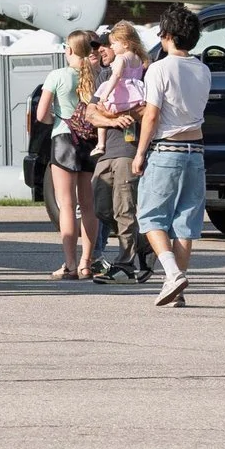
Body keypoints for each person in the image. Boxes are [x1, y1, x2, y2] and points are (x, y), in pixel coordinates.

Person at [136, 5, 214, 307]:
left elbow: (152, 115)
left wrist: (140, 153)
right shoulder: (203, 69)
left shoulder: (159, 68)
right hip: (196, 151)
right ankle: (177, 292)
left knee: (151, 216)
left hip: (167, 148)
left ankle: (172, 274)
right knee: (185, 222)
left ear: (167, 35)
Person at [85, 23, 150, 282]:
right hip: (106, 151)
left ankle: (125, 264)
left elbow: (150, 109)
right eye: (99, 46)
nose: (102, 50)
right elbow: (90, 113)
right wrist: (112, 120)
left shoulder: (142, 71)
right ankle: (144, 243)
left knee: (124, 208)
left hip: (128, 148)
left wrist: (124, 114)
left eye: (106, 44)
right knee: (101, 207)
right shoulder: (104, 77)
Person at [36, 30, 102, 280]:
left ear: (71, 50)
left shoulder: (57, 76)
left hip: (63, 139)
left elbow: (42, 114)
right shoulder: (96, 76)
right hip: (90, 141)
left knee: (66, 205)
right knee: (88, 205)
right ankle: (87, 262)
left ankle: (70, 263)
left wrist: (58, 120)